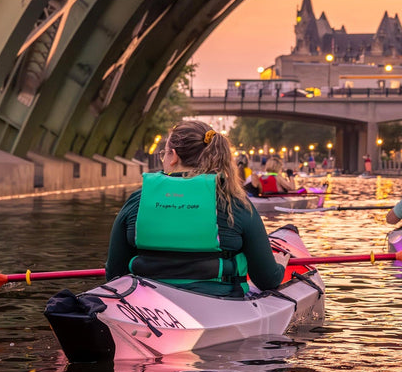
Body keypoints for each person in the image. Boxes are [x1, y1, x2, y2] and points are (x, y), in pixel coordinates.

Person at [105, 120, 284, 296]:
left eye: (163, 154)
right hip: (220, 305)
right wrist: (281, 265)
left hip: (147, 309)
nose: (163, 159)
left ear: (173, 156)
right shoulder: (234, 203)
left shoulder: (138, 200)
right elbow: (267, 280)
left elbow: (115, 275)